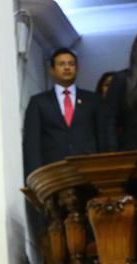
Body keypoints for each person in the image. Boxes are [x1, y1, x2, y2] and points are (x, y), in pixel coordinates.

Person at [22, 48, 102, 178]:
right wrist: (35, 177)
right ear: (52, 70)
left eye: (71, 64)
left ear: (77, 68)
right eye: (61, 64)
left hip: (88, 169)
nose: (67, 68)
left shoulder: (93, 100)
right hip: (53, 171)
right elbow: (32, 143)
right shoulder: (39, 102)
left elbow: (101, 135)